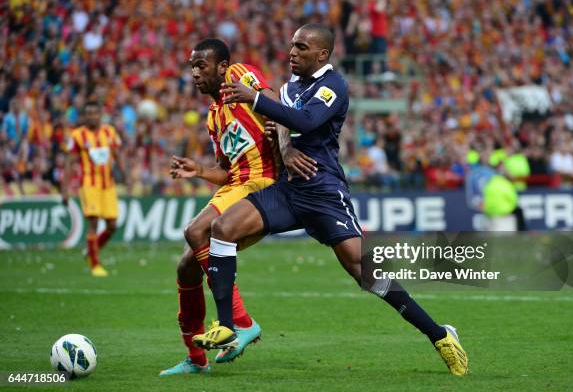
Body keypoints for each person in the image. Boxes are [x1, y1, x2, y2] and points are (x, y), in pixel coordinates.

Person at [192, 24, 469, 376]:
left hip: (323, 191)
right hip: (290, 190)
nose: (292, 52)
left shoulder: (333, 85)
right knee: (222, 227)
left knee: (362, 270)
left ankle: (440, 334)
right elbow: (280, 126)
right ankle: (229, 326)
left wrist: (256, 99)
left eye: (302, 47)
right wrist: (287, 147)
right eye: (292, 45)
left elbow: (307, 120)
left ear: (322, 54)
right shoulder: (291, 86)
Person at [161, 38, 311, 376]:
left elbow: (276, 105)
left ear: (222, 66)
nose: (196, 73)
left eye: (202, 65)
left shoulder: (241, 76)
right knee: (186, 267)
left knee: (195, 231)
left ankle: (241, 323)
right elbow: (227, 170)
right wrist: (199, 171)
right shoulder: (213, 116)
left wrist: (284, 145)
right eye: (192, 67)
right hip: (236, 184)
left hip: (263, 181)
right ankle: (196, 360)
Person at [62, 100, 123, 278]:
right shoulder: (78, 135)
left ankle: (91, 251)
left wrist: (125, 174)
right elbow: (69, 163)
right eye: (88, 113)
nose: (92, 116)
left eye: (95, 113)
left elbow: (117, 155)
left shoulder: (109, 132)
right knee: (94, 222)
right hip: (89, 184)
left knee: (112, 225)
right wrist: (64, 189)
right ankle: (95, 263)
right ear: (84, 116)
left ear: (100, 115)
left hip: (108, 184)